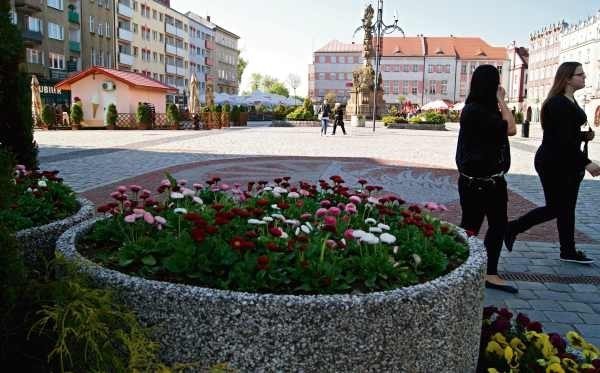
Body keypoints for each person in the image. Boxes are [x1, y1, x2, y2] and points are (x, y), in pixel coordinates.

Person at [505, 62, 600, 263]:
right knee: (556, 208)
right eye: (580, 74)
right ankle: (513, 228)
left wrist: (584, 136)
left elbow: (565, 133)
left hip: (566, 161)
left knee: (567, 208)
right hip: (553, 162)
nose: (584, 77)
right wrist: (586, 162)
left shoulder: (570, 99)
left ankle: (568, 251)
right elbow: (560, 140)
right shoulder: (557, 103)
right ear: (567, 78)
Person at [455, 64, 517, 293]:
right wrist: (501, 100)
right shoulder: (476, 111)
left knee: (497, 225)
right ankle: (457, 265)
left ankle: (489, 271)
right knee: (471, 227)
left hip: (491, 180)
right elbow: (511, 128)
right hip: (479, 183)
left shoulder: (480, 109)